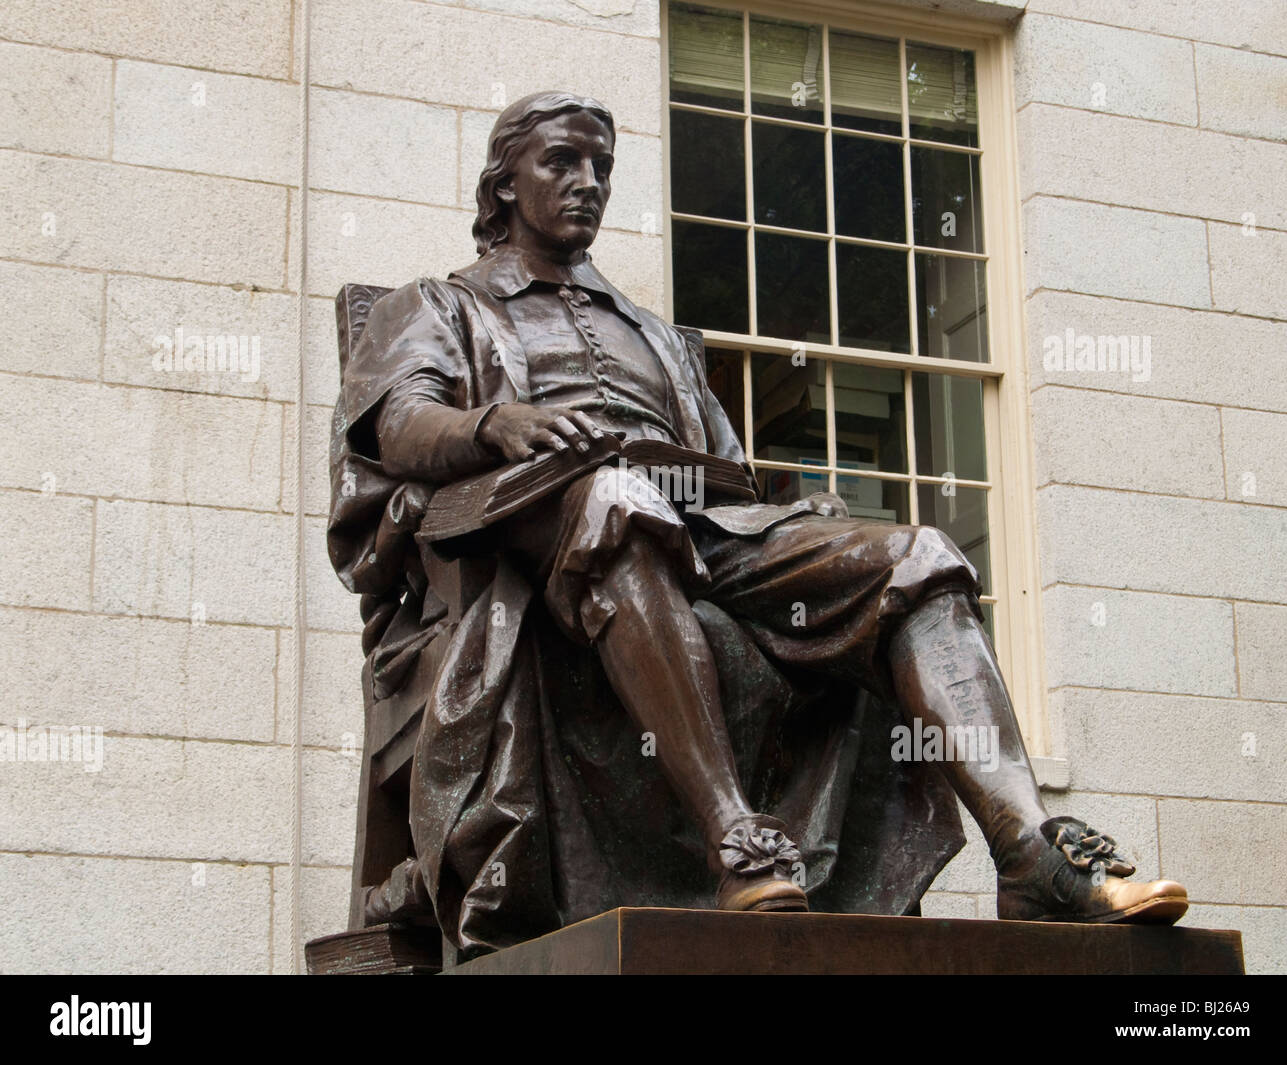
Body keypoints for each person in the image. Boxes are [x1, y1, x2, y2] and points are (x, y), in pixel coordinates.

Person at [328, 91, 1187, 952]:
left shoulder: (654, 335)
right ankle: (737, 841)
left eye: (602, 167)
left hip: (701, 523)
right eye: (561, 162)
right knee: (617, 503)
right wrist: (496, 426)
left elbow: (727, 473)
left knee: (918, 555)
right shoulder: (437, 305)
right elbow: (400, 426)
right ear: (504, 183)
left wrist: (787, 515)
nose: (587, 183)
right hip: (533, 516)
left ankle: (1031, 852)